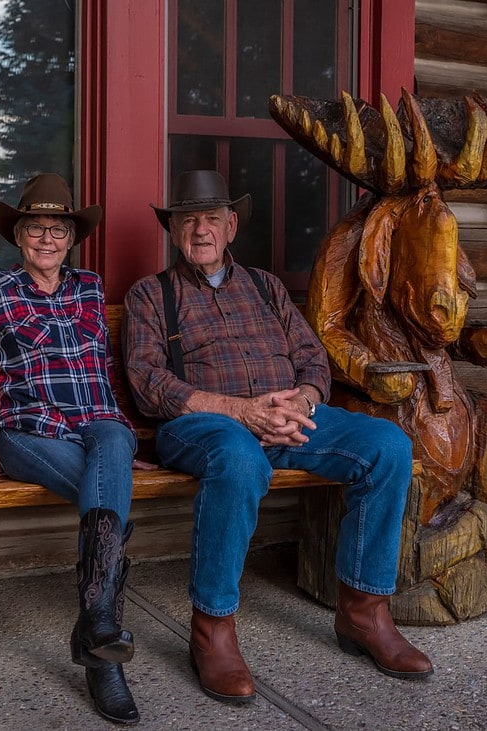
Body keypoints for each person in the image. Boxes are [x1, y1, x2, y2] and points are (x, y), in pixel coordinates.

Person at [122, 170, 433, 706]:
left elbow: (312, 358)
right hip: (202, 425)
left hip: (288, 417)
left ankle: (363, 612)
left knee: (388, 445)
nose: (201, 230)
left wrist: (301, 404)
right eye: (189, 219)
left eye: (212, 219)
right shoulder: (151, 295)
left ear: (232, 226)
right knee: (241, 459)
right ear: (173, 230)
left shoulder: (265, 286)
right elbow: (151, 384)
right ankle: (212, 630)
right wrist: (243, 412)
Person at [0, 173, 141, 725]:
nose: (47, 238)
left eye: (58, 228)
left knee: (115, 436)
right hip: (26, 434)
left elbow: (105, 373)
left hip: (96, 428)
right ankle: (102, 649)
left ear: (72, 237)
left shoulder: (89, 287)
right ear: (19, 237)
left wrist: (122, 448)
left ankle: (96, 629)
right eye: (36, 228)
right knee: (111, 497)